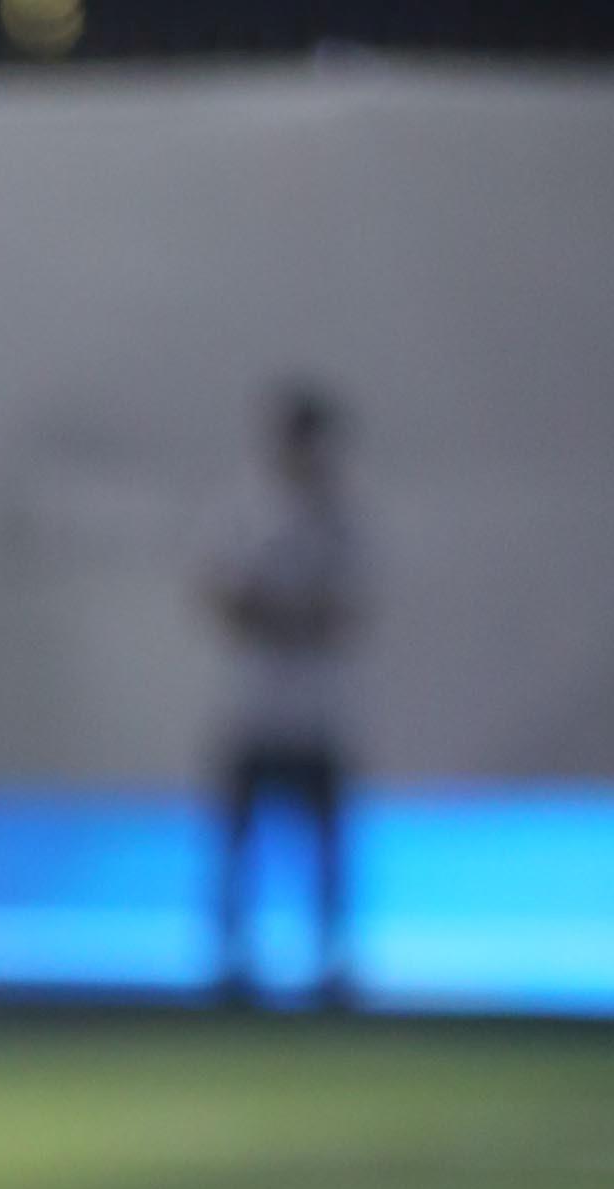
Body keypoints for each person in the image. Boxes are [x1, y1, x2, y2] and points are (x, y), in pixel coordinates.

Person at [202, 383, 366, 1007]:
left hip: (318, 712)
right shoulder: (248, 510)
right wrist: (286, 617)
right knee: (241, 842)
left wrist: (283, 616)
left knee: (324, 844)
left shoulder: (343, 518)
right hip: (254, 708)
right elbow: (220, 597)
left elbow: (347, 613)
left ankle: (330, 959)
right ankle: (233, 957)